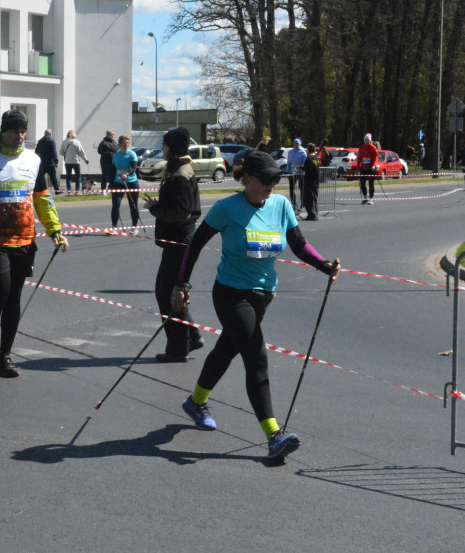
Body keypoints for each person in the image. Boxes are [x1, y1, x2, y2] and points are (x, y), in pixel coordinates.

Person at [171, 150, 341, 462]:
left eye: (276, 179)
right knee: (256, 356)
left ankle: (196, 402)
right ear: (245, 178)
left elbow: (299, 245)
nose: (271, 185)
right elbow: (195, 244)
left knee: (226, 350)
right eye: (265, 180)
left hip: (264, 295)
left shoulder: (280, 205)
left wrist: (324, 265)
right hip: (231, 294)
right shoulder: (227, 208)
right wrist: (182, 283)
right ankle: (274, 435)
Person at [0, 109, 68, 378]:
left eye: (23, 131)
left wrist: (55, 230)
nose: (19, 136)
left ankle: (5, 356)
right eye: (14, 131)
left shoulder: (33, 159)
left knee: (14, 298)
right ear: (3, 131)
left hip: (24, 240)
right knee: (0, 292)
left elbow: (42, 198)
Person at [143, 127, 204, 362]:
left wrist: (156, 209)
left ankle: (179, 348)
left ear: (174, 147)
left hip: (179, 241)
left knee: (166, 293)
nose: (162, 148)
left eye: (165, 144)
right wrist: (161, 204)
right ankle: (191, 336)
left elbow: (180, 212)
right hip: (178, 240)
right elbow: (180, 206)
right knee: (170, 291)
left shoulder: (180, 174)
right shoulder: (179, 170)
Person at [111, 135, 141, 228]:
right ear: (119, 144)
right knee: (116, 204)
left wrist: (127, 174)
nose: (126, 145)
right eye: (124, 143)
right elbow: (113, 169)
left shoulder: (132, 154)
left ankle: (134, 227)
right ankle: (114, 227)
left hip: (131, 182)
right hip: (118, 182)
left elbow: (134, 168)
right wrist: (111, 183)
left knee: (133, 205)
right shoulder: (116, 155)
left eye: (128, 143)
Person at [60, 129, 89, 194]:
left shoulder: (64, 142)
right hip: (76, 162)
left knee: (68, 177)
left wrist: (66, 154)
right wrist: (85, 159)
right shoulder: (77, 142)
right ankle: (77, 191)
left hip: (67, 162)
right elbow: (81, 152)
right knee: (78, 176)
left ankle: (69, 191)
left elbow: (61, 152)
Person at [34, 129, 60, 193]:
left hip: (42, 162)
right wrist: (56, 161)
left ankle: (39, 190)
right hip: (50, 163)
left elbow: (36, 151)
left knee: (40, 177)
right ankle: (57, 190)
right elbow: (54, 152)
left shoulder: (40, 141)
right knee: (53, 178)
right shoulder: (51, 141)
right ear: (50, 134)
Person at [357, 133, 379, 204]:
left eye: (368, 139)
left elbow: (376, 157)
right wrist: (358, 166)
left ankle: (371, 199)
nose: (367, 141)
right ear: (364, 140)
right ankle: (365, 197)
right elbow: (360, 158)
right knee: (362, 183)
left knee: (371, 183)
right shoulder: (362, 148)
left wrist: (374, 165)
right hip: (364, 167)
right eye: (365, 139)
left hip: (371, 168)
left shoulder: (373, 147)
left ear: (370, 140)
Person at [286, 138, 307, 210]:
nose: (295, 145)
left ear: (299, 144)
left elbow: (305, 163)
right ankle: (294, 204)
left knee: (302, 189)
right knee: (291, 188)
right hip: (292, 172)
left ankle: (303, 205)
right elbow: (288, 162)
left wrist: (303, 168)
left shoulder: (303, 152)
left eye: (297, 143)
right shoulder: (290, 152)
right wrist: (288, 172)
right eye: (294, 143)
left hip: (301, 172)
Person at [302, 142, 320, 220]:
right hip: (316, 180)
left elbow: (307, 168)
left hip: (309, 181)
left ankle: (311, 215)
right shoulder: (316, 158)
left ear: (308, 150)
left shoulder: (309, 158)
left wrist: (301, 167)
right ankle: (315, 213)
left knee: (309, 198)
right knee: (314, 198)